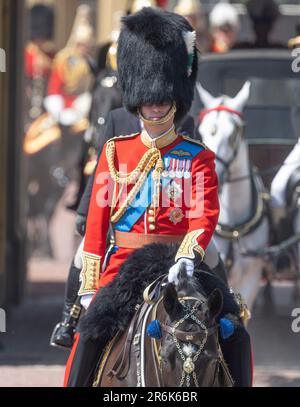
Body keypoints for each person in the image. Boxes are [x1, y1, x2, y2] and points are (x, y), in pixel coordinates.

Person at [63, 7, 252, 387]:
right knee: (88, 337)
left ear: (174, 99)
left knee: (235, 332)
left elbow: (203, 216)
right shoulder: (116, 151)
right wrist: (88, 289)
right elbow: (98, 226)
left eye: (163, 99)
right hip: (124, 266)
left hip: (180, 262)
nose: (156, 105)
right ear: (138, 99)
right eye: (149, 100)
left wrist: (186, 255)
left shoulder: (197, 157)